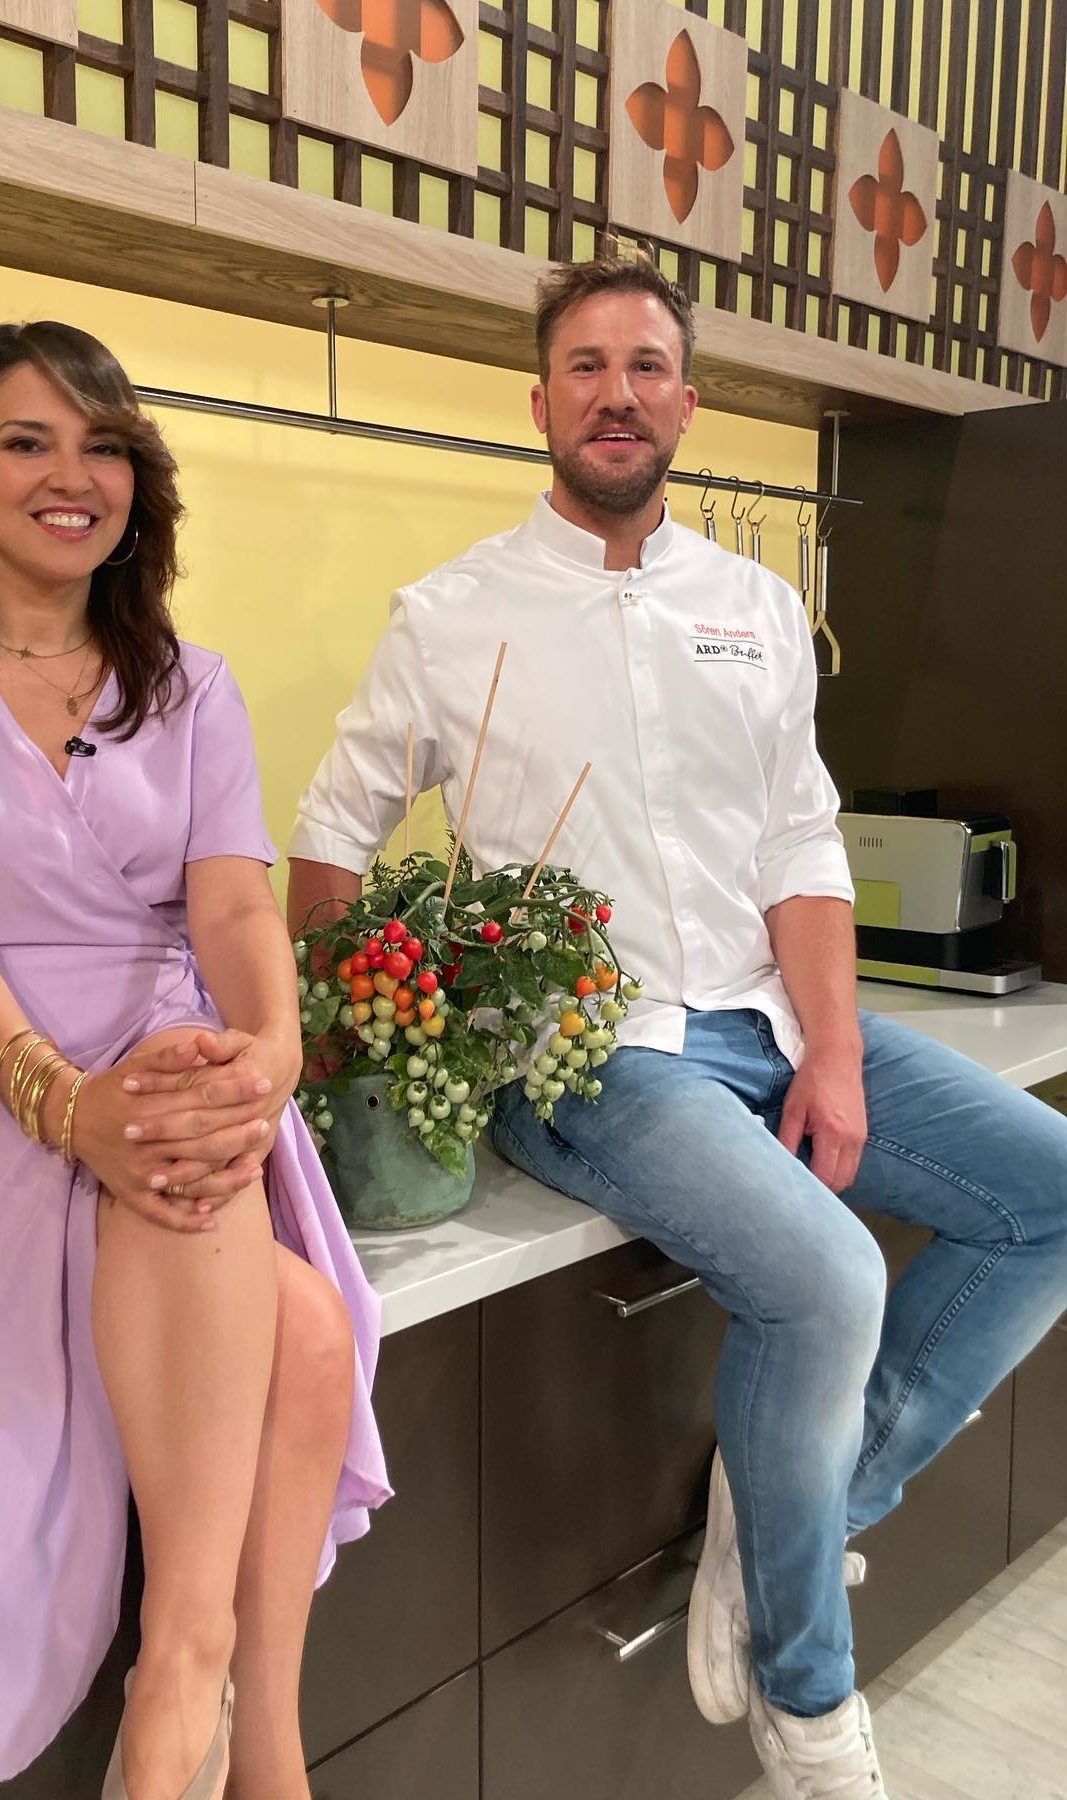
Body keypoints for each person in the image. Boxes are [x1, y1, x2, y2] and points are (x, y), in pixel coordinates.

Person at [285, 256, 1067, 1799]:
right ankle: (808, 1701)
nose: (617, 394)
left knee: (1047, 1192)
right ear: (539, 403)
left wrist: (832, 1050)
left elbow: (800, 849)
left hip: (769, 1020)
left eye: (646, 366)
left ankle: (797, 1514)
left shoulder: (757, 608)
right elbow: (330, 837)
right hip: (595, 1057)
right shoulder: (451, 615)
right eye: (586, 366)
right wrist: (357, 1046)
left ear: (688, 404)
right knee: (830, 1281)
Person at [0, 320, 390, 1800]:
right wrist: (70, 1106)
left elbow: (235, 908)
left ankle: (217, 1714)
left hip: (178, 1080)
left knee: (260, 1254)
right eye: (27, 441)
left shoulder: (193, 687)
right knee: (292, 1322)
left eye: (102, 445)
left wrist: (272, 1054)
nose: (71, 475)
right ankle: (216, 1707)